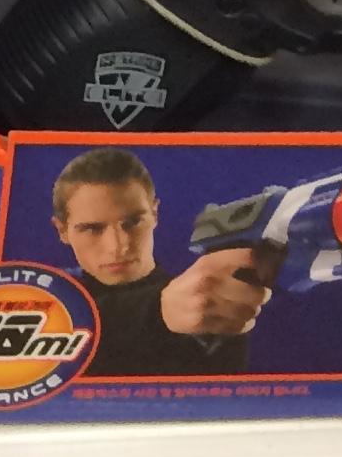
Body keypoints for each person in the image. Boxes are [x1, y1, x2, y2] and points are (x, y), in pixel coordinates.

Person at [49, 148, 270, 376]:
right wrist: (157, 311)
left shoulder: (210, 303)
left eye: (133, 222)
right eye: (92, 229)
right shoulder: (47, 296)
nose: (118, 246)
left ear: (154, 214)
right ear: (62, 230)